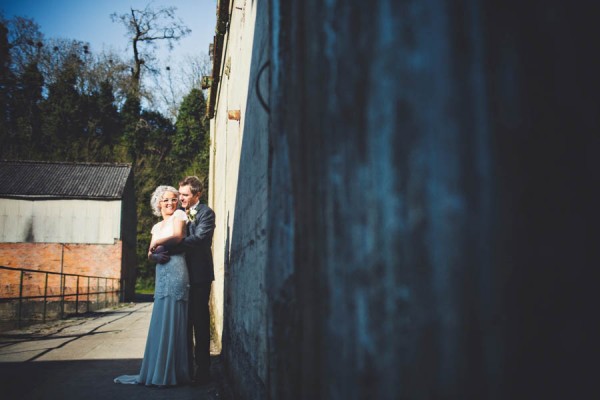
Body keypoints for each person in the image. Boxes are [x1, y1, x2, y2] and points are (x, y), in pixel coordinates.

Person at [114, 185, 191, 387]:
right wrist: (154, 254)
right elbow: (149, 255)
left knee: (174, 317)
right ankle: (157, 370)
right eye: (165, 200)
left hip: (176, 270)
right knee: (160, 317)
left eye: (174, 199)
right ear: (159, 203)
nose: (170, 203)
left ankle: (173, 372)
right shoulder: (156, 227)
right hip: (162, 272)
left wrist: (157, 243)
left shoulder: (180, 216)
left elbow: (178, 237)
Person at [154, 176, 215, 385]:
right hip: (180, 273)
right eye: (180, 194)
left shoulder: (206, 213)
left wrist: (170, 247)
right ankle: (186, 369)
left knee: (200, 321)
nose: (181, 199)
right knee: (184, 323)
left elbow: (199, 239)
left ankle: (204, 370)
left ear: (197, 195)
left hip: (199, 276)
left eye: (185, 195)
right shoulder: (178, 214)